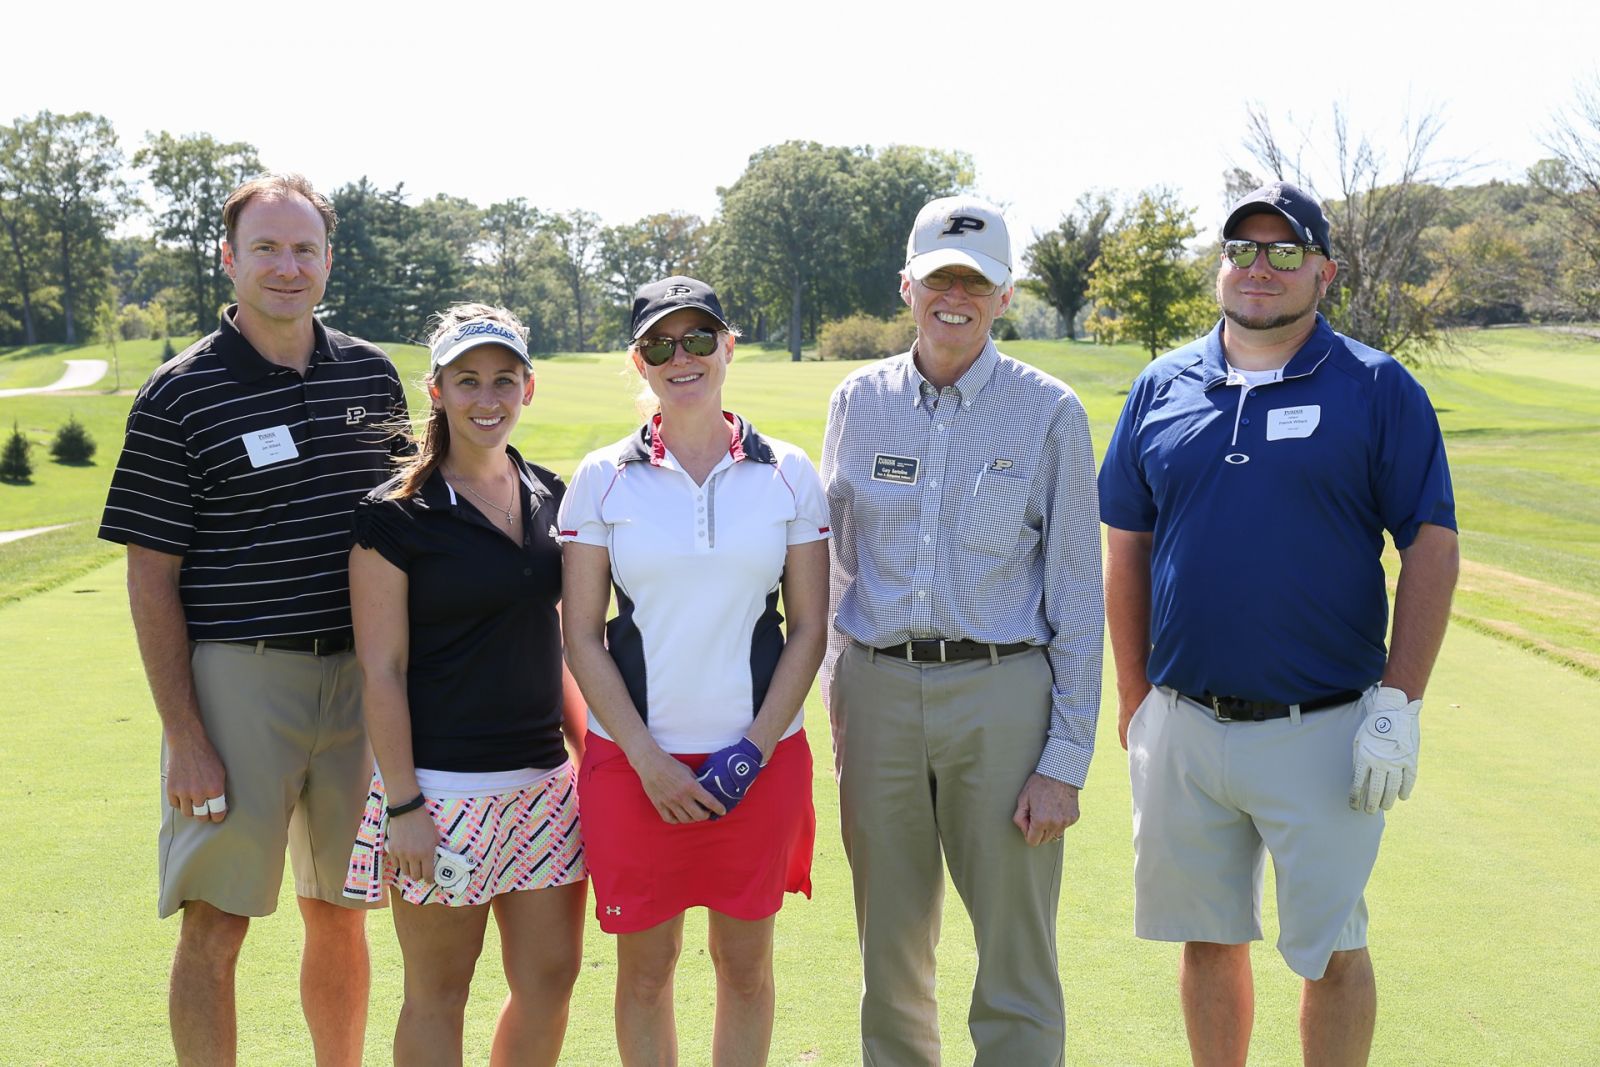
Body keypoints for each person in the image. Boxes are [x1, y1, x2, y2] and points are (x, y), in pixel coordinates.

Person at [1098, 181, 1459, 1067]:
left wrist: (1398, 703)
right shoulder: (1161, 385)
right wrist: (1137, 696)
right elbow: (1127, 545)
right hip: (1184, 723)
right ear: (1221, 266)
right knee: (1207, 937)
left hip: (1325, 726)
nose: (1260, 267)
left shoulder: (1377, 387)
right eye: (1243, 249)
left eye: (1285, 251)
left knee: (1331, 947)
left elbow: (1433, 545)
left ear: (1323, 272)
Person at [97, 173, 408, 1067]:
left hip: (362, 679)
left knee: (343, 911)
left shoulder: (370, 373)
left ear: (328, 261)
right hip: (239, 677)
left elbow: (404, 526)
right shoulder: (179, 394)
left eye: (304, 248)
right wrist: (184, 733)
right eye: (266, 248)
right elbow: (151, 577)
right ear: (229, 260)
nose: (286, 266)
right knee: (216, 925)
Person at [820, 196, 1104, 1064]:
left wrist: (1065, 759)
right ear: (907, 285)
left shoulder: (1050, 412)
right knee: (891, 955)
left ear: (1005, 296)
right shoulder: (858, 402)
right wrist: (842, 701)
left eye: (975, 282)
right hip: (878, 693)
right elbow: (837, 566)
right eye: (940, 275)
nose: (956, 295)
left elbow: (1078, 594)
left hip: (1003, 694)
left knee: (1016, 957)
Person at [558, 276, 829, 1066]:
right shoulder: (601, 475)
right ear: (638, 361)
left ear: (729, 346)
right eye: (660, 344)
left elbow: (808, 629)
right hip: (635, 767)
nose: (683, 357)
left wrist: (751, 749)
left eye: (700, 338)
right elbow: (581, 634)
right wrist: (647, 760)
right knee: (645, 972)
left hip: (760, 761)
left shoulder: (788, 471)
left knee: (745, 969)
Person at [340, 304, 588, 1065]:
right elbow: (380, 669)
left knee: (550, 980)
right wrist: (405, 804)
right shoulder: (396, 514)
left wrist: (597, 760)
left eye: (505, 380)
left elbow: (570, 641)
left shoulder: (553, 493)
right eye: (469, 379)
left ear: (529, 388)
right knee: (438, 991)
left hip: (546, 785)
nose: (489, 397)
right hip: (443, 792)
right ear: (438, 389)